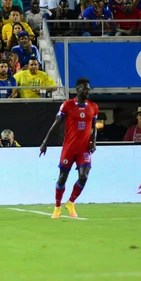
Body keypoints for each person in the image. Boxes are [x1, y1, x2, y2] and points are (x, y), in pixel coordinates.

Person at [39, 77, 99, 219]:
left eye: (89, 88)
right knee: (62, 178)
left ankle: (71, 202)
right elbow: (56, 124)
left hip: (84, 148)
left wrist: (94, 141)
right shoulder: (67, 106)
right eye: (85, 88)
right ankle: (57, 206)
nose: (88, 91)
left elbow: (94, 126)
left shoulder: (93, 107)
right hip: (69, 148)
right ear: (78, 89)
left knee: (84, 177)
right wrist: (45, 142)